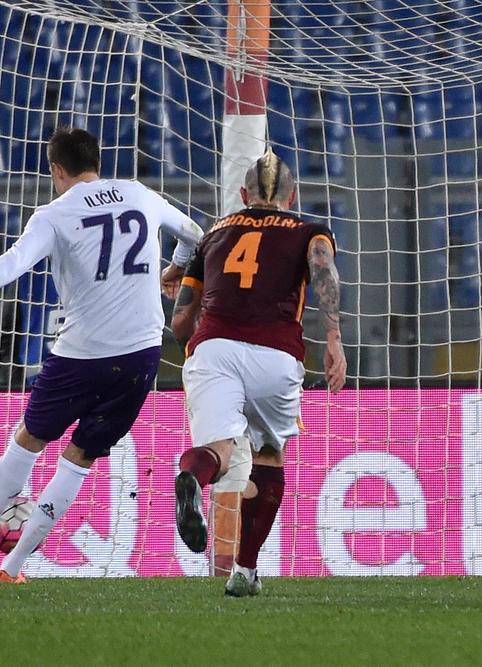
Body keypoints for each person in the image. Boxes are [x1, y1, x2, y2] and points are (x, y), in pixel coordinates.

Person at [0, 127, 204, 583]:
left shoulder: (54, 214)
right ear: (98, 162)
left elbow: (14, 263)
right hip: (143, 355)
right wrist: (175, 268)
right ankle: (11, 568)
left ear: (56, 169)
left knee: (29, 439)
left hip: (83, 355)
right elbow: (195, 234)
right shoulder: (139, 194)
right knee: (79, 457)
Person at [171, 147, 346, 597]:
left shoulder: (214, 233)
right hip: (275, 354)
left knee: (219, 452)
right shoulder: (310, 232)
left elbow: (180, 322)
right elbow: (323, 273)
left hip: (214, 349)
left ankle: (192, 477)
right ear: (293, 195)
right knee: (267, 455)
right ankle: (245, 571)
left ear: (244, 194)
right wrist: (333, 339)